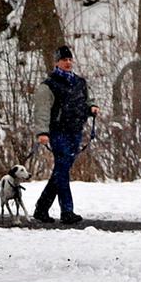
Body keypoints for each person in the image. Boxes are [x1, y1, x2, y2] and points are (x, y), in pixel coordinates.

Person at [32, 45, 100, 224]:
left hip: (75, 131)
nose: (68, 62)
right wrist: (42, 132)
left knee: (60, 171)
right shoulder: (48, 86)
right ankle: (67, 211)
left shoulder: (80, 82)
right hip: (57, 132)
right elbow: (42, 110)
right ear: (56, 63)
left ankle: (41, 208)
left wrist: (91, 107)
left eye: (70, 59)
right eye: (64, 60)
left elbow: (87, 99)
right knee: (62, 170)